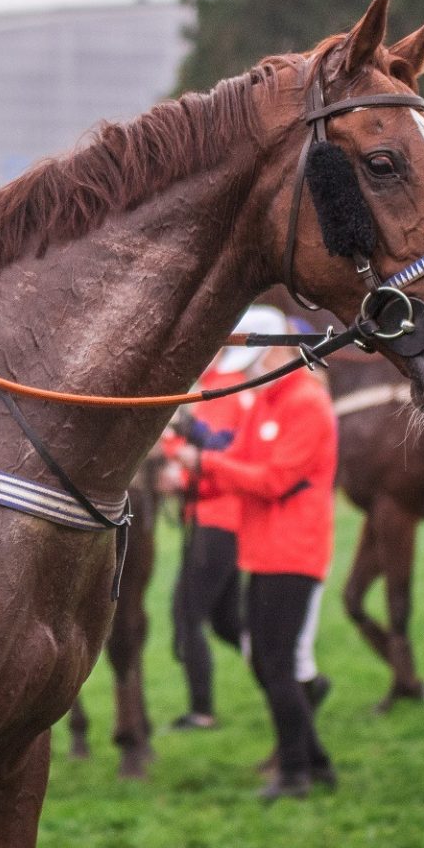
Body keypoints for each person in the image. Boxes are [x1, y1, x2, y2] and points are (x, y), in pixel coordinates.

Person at [172, 319, 340, 801]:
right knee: (268, 664)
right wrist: (199, 449)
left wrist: (205, 464)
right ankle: (314, 763)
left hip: (294, 551)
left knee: (276, 665)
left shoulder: (306, 403)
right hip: (263, 550)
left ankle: (294, 773)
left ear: (276, 352)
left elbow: (272, 480)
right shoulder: (267, 401)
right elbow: (238, 461)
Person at [160, 306, 274, 731]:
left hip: (218, 517)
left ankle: (202, 710)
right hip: (215, 515)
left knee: (186, 613)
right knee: (227, 621)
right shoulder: (218, 385)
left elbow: (218, 450)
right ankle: (293, 678)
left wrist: (182, 456)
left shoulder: (224, 388)